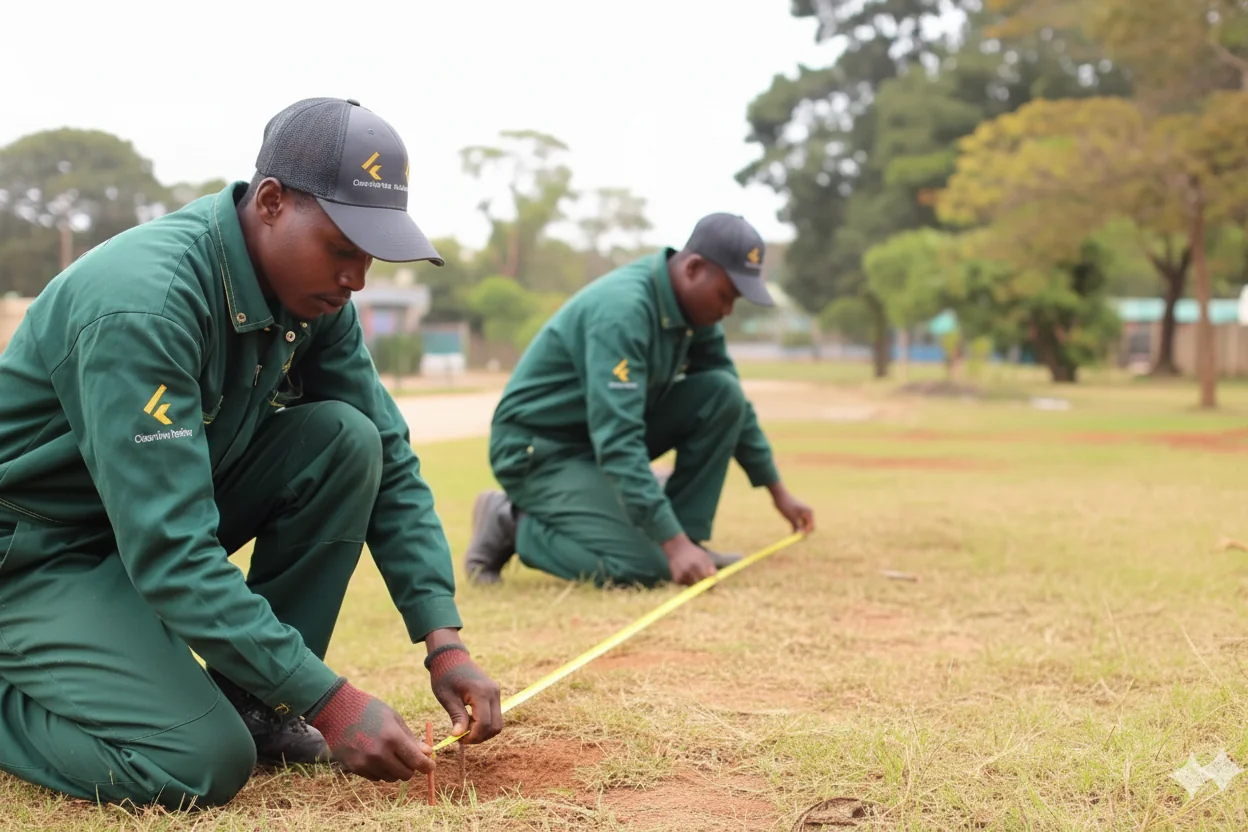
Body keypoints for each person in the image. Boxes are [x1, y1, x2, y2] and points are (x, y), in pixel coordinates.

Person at [0, 97, 502, 810]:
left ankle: (257, 707)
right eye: (342, 246)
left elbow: (385, 454)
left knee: (345, 441)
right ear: (270, 202)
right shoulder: (146, 306)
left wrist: (443, 639)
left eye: (371, 253)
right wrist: (330, 701)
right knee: (196, 762)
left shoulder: (314, 302)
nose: (357, 276)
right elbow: (171, 552)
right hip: (36, 552)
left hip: (129, 531)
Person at [463, 213, 816, 588]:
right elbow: (617, 441)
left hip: (596, 438)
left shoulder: (696, 317)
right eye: (726, 295)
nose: (727, 311)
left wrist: (778, 492)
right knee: (650, 568)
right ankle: (511, 522)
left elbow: (733, 406)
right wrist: (671, 547)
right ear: (694, 268)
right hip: (538, 451)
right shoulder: (623, 312)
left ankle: (688, 541)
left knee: (721, 392)